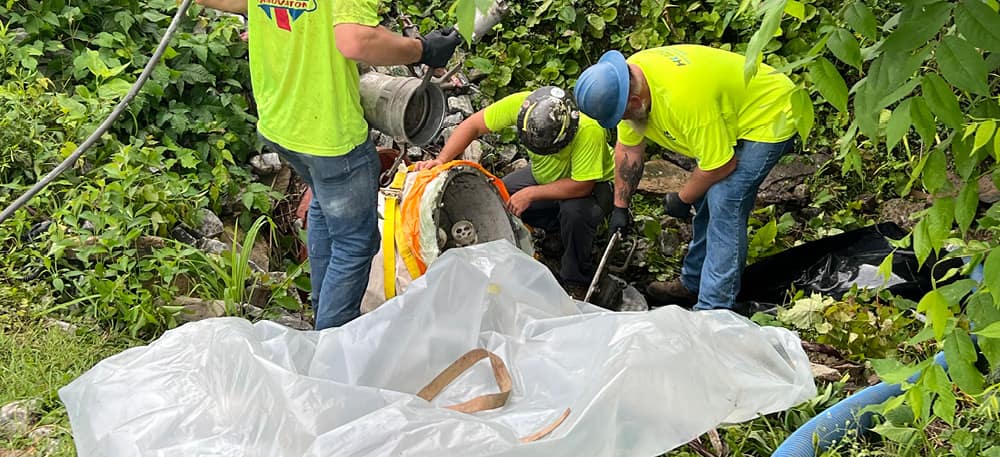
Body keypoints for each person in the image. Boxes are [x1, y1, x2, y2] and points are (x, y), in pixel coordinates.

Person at [196, 0, 462, 329]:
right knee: (355, 243)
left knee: (324, 199)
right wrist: (422, 50)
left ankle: (322, 312)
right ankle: (332, 345)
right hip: (330, 139)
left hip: (281, 123)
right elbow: (354, 41)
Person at [573, 45, 800, 311]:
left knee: (724, 198)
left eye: (620, 116)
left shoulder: (684, 101)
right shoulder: (624, 82)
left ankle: (713, 308)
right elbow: (629, 150)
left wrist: (682, 198)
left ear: (634, 103)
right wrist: (620, 208)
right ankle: (692, 283)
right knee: (708, 194)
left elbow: (720, 167)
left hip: (771, 111)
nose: (622, 121)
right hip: (729, 112)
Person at [414, 86, 615, 298]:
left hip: (594, 185)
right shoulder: (524, 106)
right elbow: (472, 125)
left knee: (575, 214)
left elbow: (581, 186)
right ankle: (557, 230)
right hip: (547, 176)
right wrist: (441, 160)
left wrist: (531, 194)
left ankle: (576, 277)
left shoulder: (589, 130)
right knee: (500, 196)